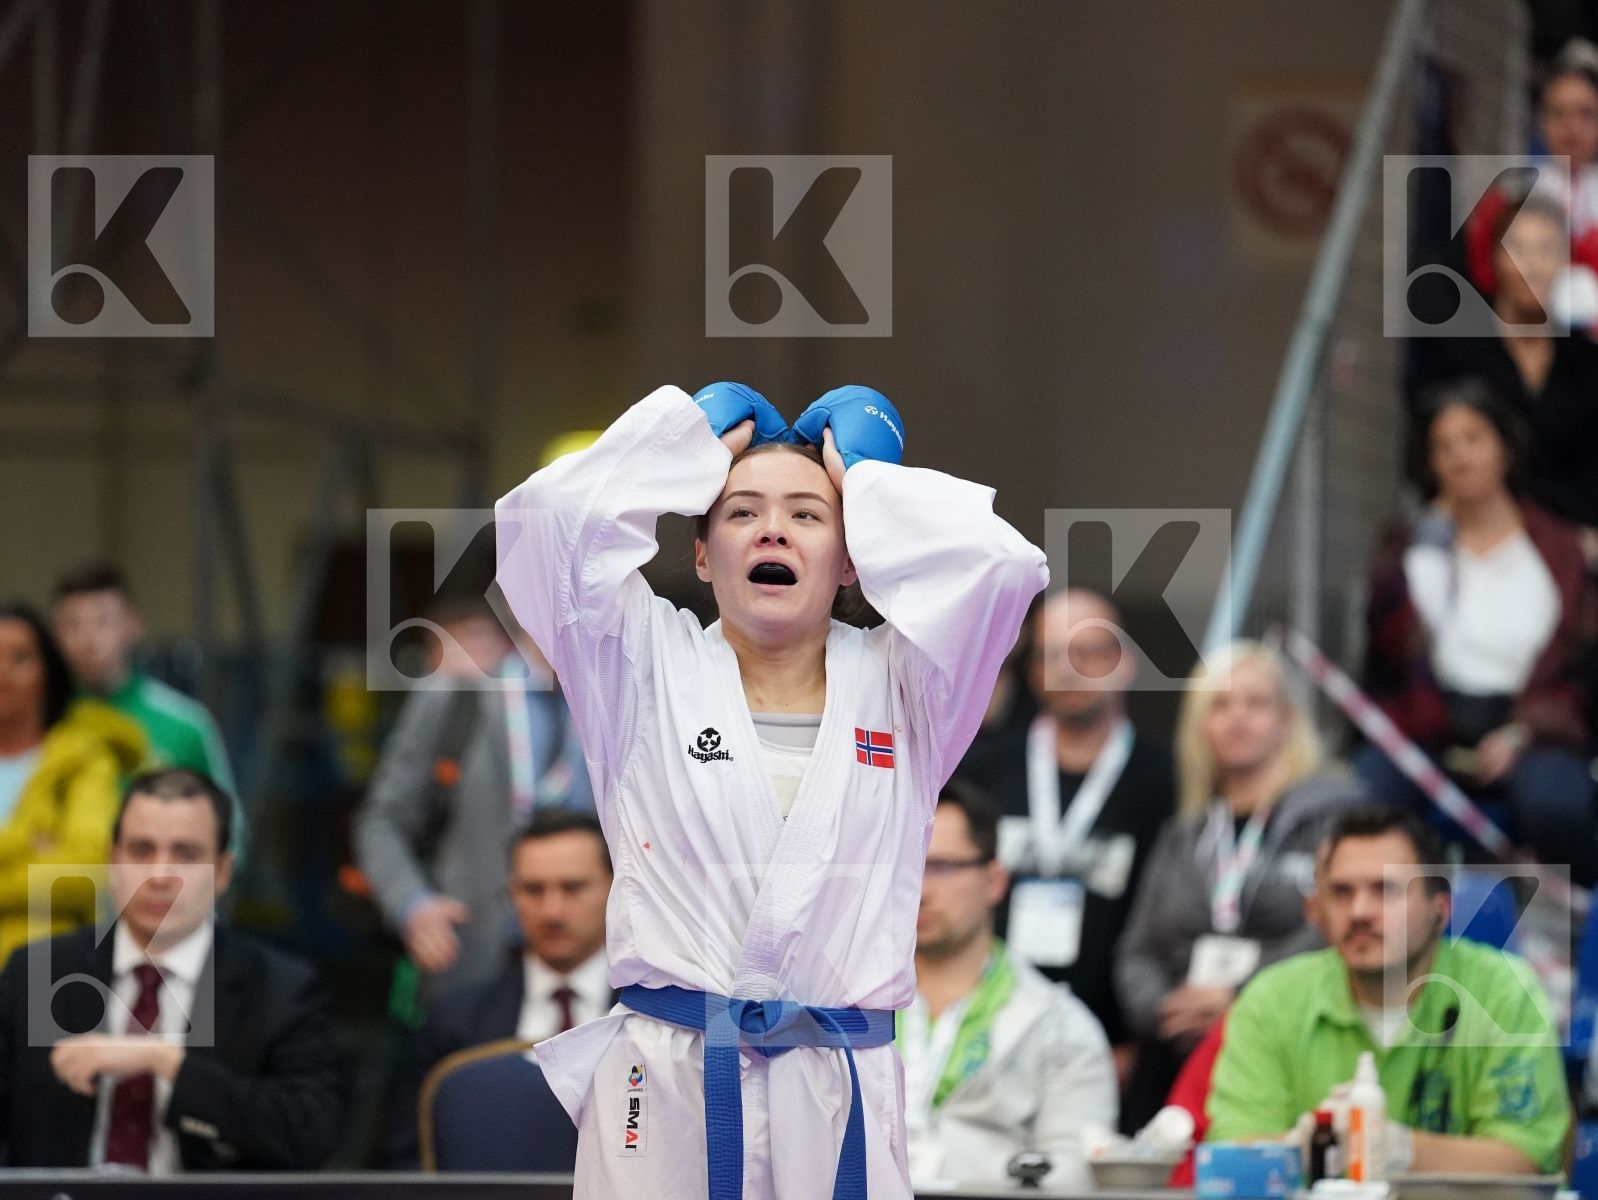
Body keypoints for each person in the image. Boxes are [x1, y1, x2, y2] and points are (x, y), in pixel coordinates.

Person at [494, 381, 1047, 1199]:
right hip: (672, 1076)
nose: (772, 529)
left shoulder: (909, 687)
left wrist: (868, 478)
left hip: (837, 1081)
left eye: (807, 514)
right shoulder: (640, 666)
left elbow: (1003, 570)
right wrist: (684, 441)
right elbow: (543, 529)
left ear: (853, 558)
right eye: (741, 511)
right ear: (702, 555)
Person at [0, 768, 343, 1170]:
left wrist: (167, 1065)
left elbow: (309, 1134)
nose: (160, 876)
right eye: (141, 850)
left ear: (222, 871)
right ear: (113, 860)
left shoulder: (280, 988)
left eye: (186, 855)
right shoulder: (39, 972)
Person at [1207, 805, 1571, 1176]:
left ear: (1439, 909)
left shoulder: (1503, 991)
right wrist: (1298, 1149)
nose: (1360, 911)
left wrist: (1402, 1150)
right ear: (1316, 910)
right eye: (1342, 892)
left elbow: (1527, 1160)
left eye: (1385, 890)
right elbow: (1229, 1159)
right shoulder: (1271, 1000)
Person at [1114, 640, 1364, 1130]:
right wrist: (1165, 1009)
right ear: (1199, 726)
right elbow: (1137, 948)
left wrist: (1241, 996)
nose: (1238, 718)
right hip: (1176, 1049)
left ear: (1287, 720)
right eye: (1221, 705)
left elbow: (1334, 929)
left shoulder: (1335, 820)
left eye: (1256, 703)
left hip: (1288, 1039)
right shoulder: (1184, 833)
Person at [1358, 380, 1597, 884]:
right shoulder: (1409, 549)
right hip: (1430, 722)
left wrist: (1521, 732)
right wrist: (1423, 549)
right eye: (1443, 447)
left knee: (1557, 804)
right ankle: (1390, 924)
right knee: (1362, 800)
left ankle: (1574, 926)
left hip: (1532, 726)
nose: (1459, 457)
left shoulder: (1559, 549)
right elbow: (1384, 657)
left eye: (1472, 439)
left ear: (1505, 448)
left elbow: (1580, 669)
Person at [962, 589, 1175, 1083]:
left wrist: (1134, 1043)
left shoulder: (1169, 781)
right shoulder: (980, 773)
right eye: (1052, 655)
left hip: (1118, 1050)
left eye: (1088, 651)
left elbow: (1167, 924)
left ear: (1124, 661)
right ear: (1032, 670)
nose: (1069, 669)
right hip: (986, 1037)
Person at [355, 590, 592, 1001]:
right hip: (476, 949)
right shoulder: (457, 696)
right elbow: (381, 821)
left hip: (594, 960)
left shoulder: (621, 700)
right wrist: (414, 906)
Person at [903, 779, 1115, 1191]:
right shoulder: (842, 1006)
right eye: (906, 865)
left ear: (995, 881)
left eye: (942, 867)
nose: (920, 889)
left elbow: (1074, 1178)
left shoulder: (1064, 1027)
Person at [385, 808, 614, 1167]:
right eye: (533, 890)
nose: (552, 911)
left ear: (615, 889)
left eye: (573, 888)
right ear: (511, 895)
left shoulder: (660, 1020)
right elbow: (407, 1163)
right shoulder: (452, 1024)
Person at [1411, 195, 1598, 531]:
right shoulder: (1455, 350)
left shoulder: (1586, 362)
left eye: (1547, 249)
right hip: (1470, 532)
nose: (1533, 265)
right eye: (1518, 249)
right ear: (1494, 258)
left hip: (1570, 540)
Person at [0, 604, 144, 964]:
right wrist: (28, 844)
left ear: (48, 671)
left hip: (42, 970)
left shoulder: (84, 758)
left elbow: (84, 875)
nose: (3, 672)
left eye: (20, 658)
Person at [51, 566, 240, 829]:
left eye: (103, 621)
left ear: (134, 625)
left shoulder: (186, 725)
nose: (88, 638)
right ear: (55, 636)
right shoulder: (45, 724)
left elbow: (230, 831)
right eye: (73, 624)